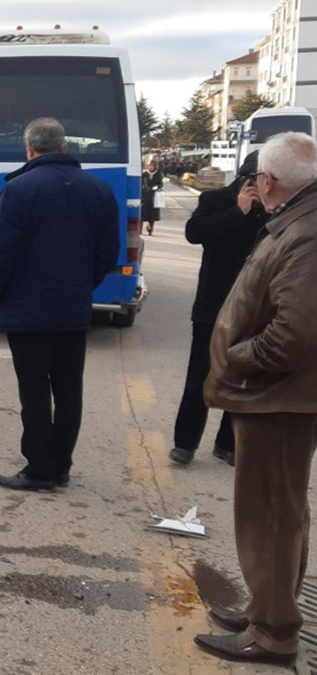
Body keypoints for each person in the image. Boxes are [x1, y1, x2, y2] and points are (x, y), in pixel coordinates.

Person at [194, 132, 317, 667]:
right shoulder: (299, 219)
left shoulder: (306, 233)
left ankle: (272, 633)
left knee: (269, 515)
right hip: (280, 397)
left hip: (277, 399)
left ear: (268, 182)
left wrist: (239, 358)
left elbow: (295, 333)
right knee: (278, 512)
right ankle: (267, 607)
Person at [0, 117, 119, 491]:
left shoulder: (19, 189)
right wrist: (82, 285)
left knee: (35, 389)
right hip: (73, 307)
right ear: (64, 147)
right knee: (68, 388)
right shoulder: (99, 190)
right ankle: (61, 466)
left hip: (26, 311)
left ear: (28, 149)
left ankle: (40, 469)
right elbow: (108, 253)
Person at [168, 151, 269, 467]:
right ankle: (185, 443)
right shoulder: (216, 200)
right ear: (246, 179)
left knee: (244, 378)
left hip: (256, 308)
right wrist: (238, 212)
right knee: (201, 375)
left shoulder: (277, 209)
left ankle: (227, 443)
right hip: (214, 306)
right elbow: (194, 232)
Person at [141, 158, 164, 235]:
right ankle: (140, 230)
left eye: (153, 166)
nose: (151, 167)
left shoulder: (158, 174)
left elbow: (161, 184)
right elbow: (140, 183)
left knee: (152, 215)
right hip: (145, 196)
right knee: (142, 214)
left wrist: (157, 187)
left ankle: (150, 230)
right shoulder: (144, 174)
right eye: (150, 166)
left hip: (154, 196)